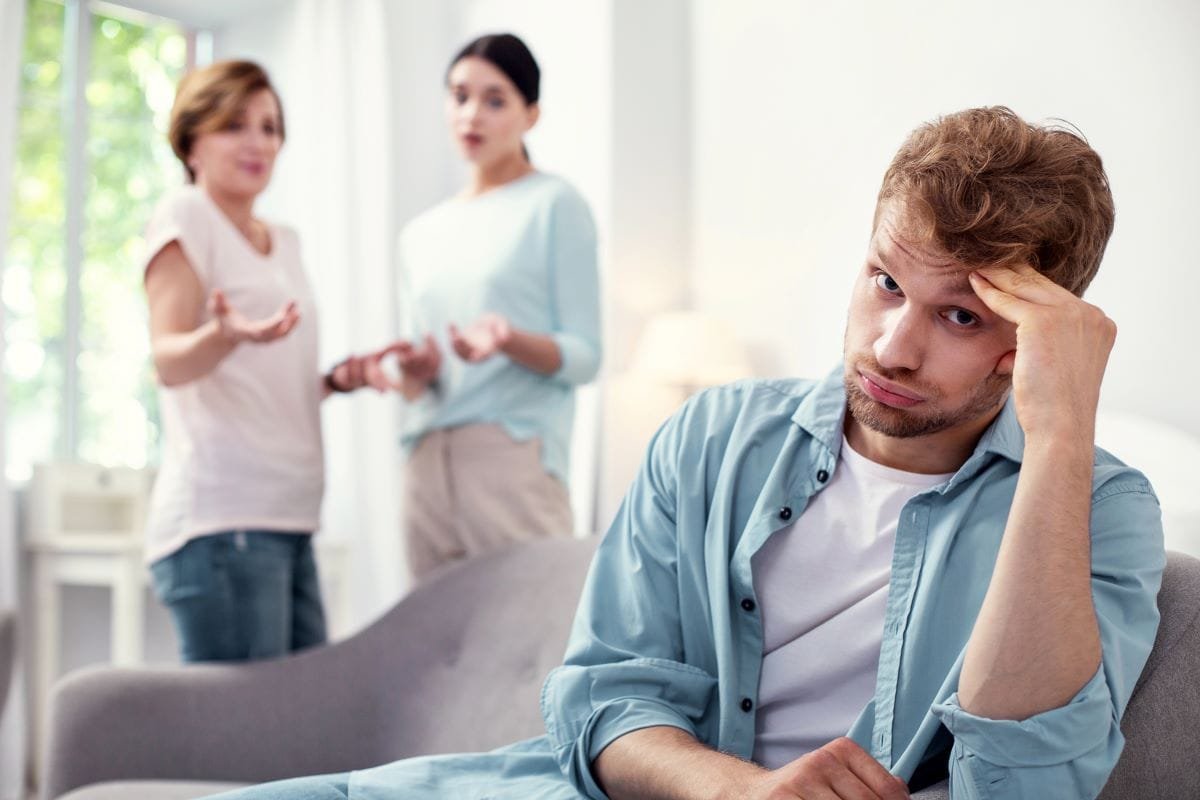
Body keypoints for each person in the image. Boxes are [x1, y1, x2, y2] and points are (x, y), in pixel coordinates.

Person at [211, 107, 1163, 799]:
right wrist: (741, 791)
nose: (891, 348)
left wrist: (1059, 436)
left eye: (960, 316)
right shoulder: (714, 436)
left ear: (1036, 336)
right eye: (884, 282)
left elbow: (1029, 781)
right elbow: (601, 700)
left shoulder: (1096, 508)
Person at [142, 60, 377, 663]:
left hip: (291, 517)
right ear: (191, 141)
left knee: (304, 717)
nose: (258, 143)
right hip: (225, 523)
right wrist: (224, 336)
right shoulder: (186, 213)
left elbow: (266, 378)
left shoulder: (286, 240)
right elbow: (168, 362)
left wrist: (335, 380)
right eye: (235, 125)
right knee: (249, 725)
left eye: (270, 128)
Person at [371, 33, 601, 581]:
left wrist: (508, 339)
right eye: (459, 96)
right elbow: (420, 382)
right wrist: (414, 370)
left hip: (511, 461)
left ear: (531, 114)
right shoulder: (419, 234)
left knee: (532, 628)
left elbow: (586, 357)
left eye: (494, 100)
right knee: (429, 633)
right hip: (427, 464)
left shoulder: (554, 204)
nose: (471, 114)